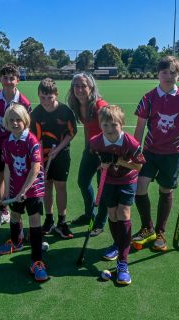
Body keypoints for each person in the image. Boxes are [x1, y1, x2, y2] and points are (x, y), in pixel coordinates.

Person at [133, 55, 179, 251]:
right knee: (140, 188)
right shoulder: (148, 98)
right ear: (158, 74)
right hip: (149, 152)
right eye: (165, 72)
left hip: (173, 153)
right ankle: (147, 228)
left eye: (173, 73)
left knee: (166, 190)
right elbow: (139, 128)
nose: (168, 76)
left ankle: (160, 231)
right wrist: (135, 150)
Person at [90, 105, 146, 285]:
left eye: (114, 125)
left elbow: (139, 166)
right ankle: (118, 244)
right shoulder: (96, 141)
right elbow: (95, 159)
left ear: (122, 124)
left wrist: (118, 161)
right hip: (108, 182)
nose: (109, 129)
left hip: (127, 181)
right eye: (105, 125)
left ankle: (123, 262)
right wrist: (101, 164)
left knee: (123, 213)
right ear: (100, 125)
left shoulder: (130, 143)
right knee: (112, 214)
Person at [0, 103, 49, 282]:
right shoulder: (7, 142)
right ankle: (16, 242)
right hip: (17, 190)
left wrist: (24, 191)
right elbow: (8, 168)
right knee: (15, 216)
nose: (15, 123)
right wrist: (8, 193)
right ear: (7, 123)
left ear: (25, 121)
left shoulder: (31, 140)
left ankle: (37, 261)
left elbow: (35, 168)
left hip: (33, 189)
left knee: (34, 221)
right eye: (12, 120)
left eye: (18, 120)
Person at [0, 63, 31, 228]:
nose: (9, 81)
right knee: (0, 178)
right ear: (0, 79)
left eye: (12, 78)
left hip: (15, 146)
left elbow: (27, 125)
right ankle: (3, 211)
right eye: (5, 78)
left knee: (17, 176)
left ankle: (18, 211)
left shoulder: (23, 101)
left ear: (18, 80)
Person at [30, 78, 77, 239]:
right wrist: (42, 153)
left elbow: (71, 133)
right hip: (43, 156)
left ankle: (62, 222)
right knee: (47, 186)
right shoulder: (36, 114)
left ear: (56, 95)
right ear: (38, 95)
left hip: (61, 153)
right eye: (42, 97)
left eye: (49, 97)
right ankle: (49, 220)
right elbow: (35, 139)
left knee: (60, 186)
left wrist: (58, 149)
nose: (46, 101)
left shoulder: (65, 111)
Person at [66, 73, 109, 236]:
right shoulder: (78, 104)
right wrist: (87, 147)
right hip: (91, 149)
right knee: (83, 182)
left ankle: (99, 223)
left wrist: (104, 157)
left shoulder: (100, 106)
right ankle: (88, 214)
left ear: (91, 87)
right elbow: (87, 127)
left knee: (102, 189)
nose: (79, 89)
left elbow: (112, 130)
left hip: (105, 152)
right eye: (76, 86)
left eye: (83, 85)